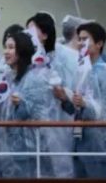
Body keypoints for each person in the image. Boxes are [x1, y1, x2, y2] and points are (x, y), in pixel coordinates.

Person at [67, 22, 106, 178]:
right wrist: (64, 98)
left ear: (99, 43)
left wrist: (86, 105)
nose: (80, 43)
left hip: (99, 144)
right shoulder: (79, 70)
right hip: (78, 141)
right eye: (79, 39)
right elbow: (73, 107)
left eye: (85, 39)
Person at [0, 31, 55, 178]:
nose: (6, 52)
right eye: (5, 47)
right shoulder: (5, 77)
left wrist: (20, 104)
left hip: (29, 148)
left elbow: (39, 114)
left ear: (21, 51)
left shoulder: (34, 78)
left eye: (11, 47)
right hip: (8, 146)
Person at [27, 12, 75, 178]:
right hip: (29, 132)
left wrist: (63, 96)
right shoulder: (25, 61)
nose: (28, 36)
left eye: (32, 31)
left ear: (45, 35)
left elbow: (73, 104)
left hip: (58, 130)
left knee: (57, 172)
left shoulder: (62, 61)